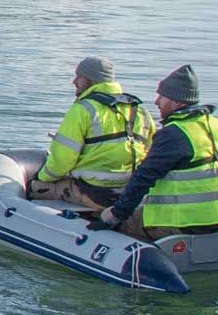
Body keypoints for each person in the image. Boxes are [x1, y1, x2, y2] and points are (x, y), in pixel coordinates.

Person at [95, 65, 218, 242]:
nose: (157, 102)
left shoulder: (173, 134)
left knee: (107, 215)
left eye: (162, 97)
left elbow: (142, 179)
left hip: (177, 223)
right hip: (217, 220)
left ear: (177, 102)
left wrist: (115, 216)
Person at [28, 56, 155, 213]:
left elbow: (63, 160)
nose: (74, 82)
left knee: (36, 187)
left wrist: (41, 177)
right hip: (130, 194)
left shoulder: (83, 110)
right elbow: (151, 154)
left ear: (91, 80)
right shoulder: (140, 111)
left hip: (95, 193)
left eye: (79, 77)